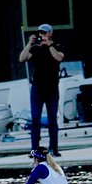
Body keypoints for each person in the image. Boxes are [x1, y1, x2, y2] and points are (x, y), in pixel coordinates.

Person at [18, 23, 66, 156]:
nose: (42, 35)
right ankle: (35, 149)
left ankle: (53, 148)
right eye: (40, 33)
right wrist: (29, 44)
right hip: (37, 88)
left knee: (52, 119)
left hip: (51, 88)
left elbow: (59, 58)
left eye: (45, 33)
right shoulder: (36, 49)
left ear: (50, 34)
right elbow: (22, 58)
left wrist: (49, 45)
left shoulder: (56, 47)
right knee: (35, 120)